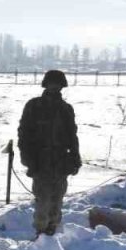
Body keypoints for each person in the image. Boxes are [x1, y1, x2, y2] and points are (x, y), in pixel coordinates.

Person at [18, 70, 81, 236]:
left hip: (61, 161)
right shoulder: (34, 105)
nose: (55, 87)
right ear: (46, 84)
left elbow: (72, 135)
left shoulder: (66, 109)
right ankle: (41, 233)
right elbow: (24, 134)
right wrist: (28, 160)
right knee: (43, 201)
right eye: (52, 83)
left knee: (57, 201)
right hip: (40, 161)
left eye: (58, 84)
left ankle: (52, 232)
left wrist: (75, 158)